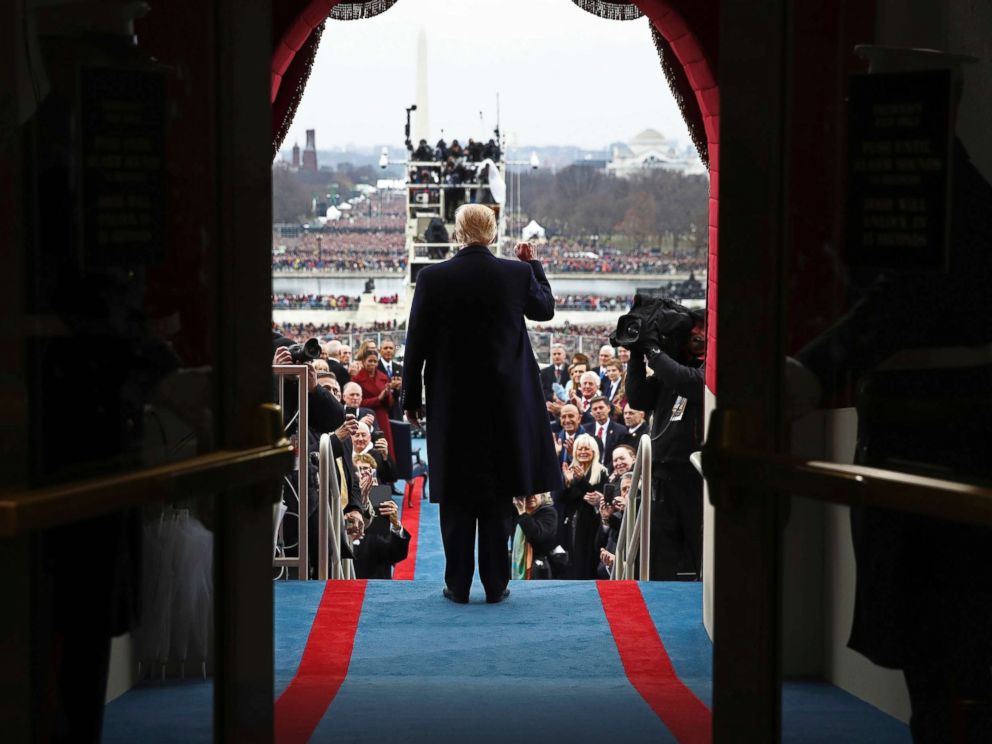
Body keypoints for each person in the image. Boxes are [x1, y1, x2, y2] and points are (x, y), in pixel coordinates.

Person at [402, 203, 560, 604]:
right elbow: (544, 309)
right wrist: (534, 264)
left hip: (451, 401)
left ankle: (457, 585)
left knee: (455, 493)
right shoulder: (516, 272)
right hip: (503, 403)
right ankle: (495, 584)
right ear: (492, 234)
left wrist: (411, 397)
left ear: (458, 233)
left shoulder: (433, 277)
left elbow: (416, 339)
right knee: (496, 492)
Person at [624, 312, 705, 581]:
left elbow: (691, 383)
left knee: (702, 554)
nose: (697, 337)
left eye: (702, 331)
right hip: (662, 475)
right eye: (692, 332)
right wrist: (636, 355)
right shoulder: (672, 366)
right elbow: (638, 398)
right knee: (661, 559)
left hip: (696, 478)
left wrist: (654, 351)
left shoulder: (711, 368)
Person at [559, 433, 608, 579]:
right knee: (572, 560)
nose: (583, 452)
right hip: (571, 523)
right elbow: (562, 499)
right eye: (579, 449)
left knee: (586, 561)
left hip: (591, 524)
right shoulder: (571, 469)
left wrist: (580, 481)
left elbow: (592, 497)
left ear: (594, 452)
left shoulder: (601, 471)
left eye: (587, 449)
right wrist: (567, 484)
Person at [351, 349, 395, 456]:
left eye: (375, 361)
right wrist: (378, 398)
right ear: (363, 361)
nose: (373, 364)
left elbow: (389, 404)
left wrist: (387, 394)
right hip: (366, 417)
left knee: (384, 445)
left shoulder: (383, 377)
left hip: (382, 416)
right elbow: (358, 402)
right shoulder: (356, 378)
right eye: (370, 361)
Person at [510, 493, 562, 580]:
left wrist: (523, 514)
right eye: (527, 495)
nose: (531, 497)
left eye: (535, 493)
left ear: (542, 494)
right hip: (517, 565)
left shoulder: (549, 512)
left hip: (540, 567)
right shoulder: (516, 513)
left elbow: (537, 536)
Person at [584, 395, 628, 470]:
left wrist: (604, 470)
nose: (598, 411)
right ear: (591, 412)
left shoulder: (620, 430)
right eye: (595, 409)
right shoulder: (585, 430)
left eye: (601, 408)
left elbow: (620, 455)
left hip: (611, 470)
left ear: (608, 408)